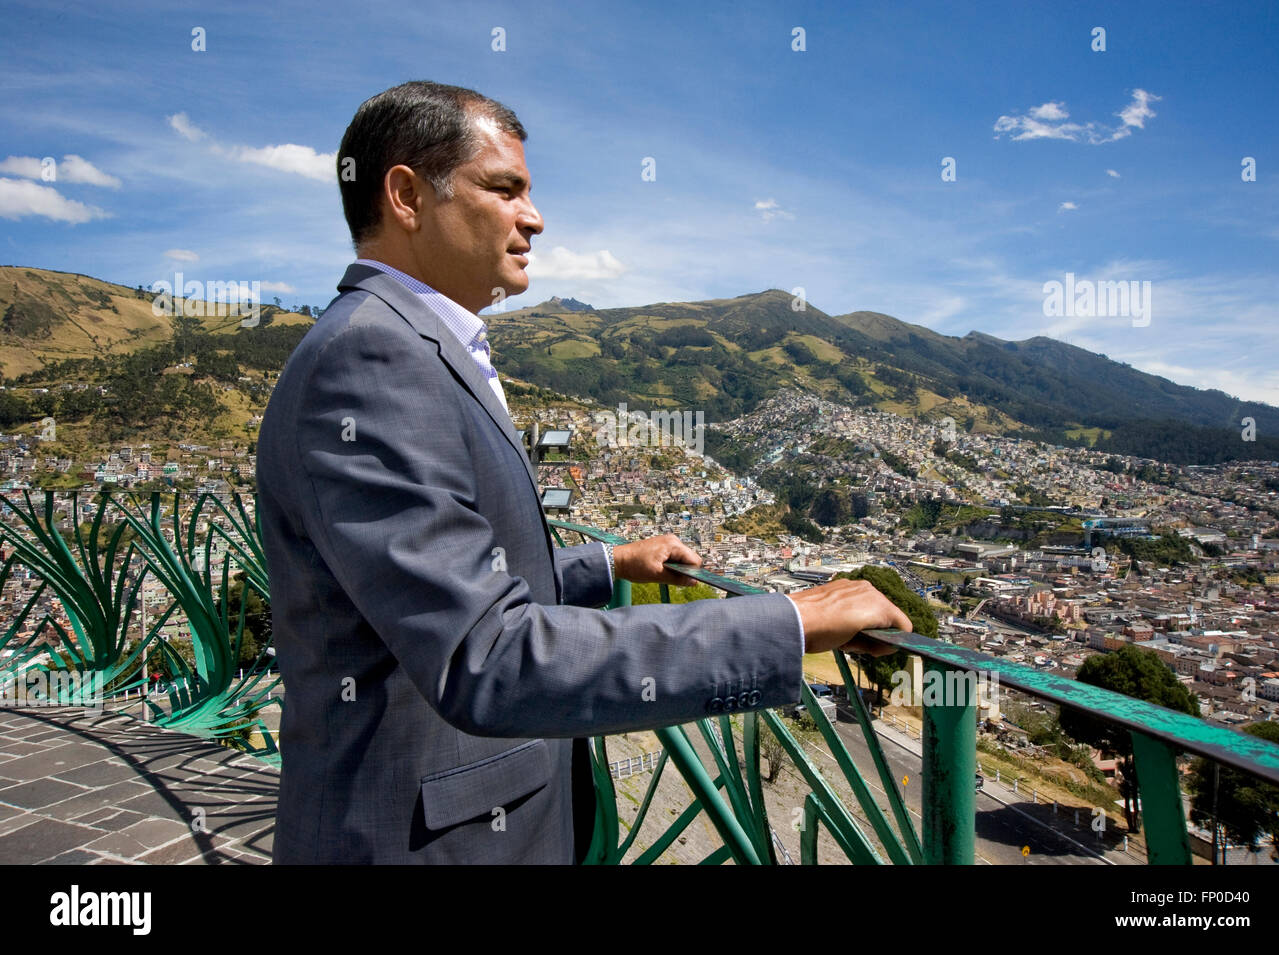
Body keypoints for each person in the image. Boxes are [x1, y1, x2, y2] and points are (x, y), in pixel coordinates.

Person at [256, 80, 913, 864]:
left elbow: (446, 577)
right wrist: (788, 621)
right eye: (504, 188)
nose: (533, 217)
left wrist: (606, 562)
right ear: (406, 195)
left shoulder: (398, 345)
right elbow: (485, 654)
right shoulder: (372, 359)